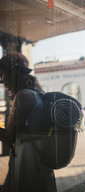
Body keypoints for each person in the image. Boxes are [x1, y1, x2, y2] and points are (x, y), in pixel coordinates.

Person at [0, 52, 56, 192]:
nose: (2, 80)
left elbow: (9, 137)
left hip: (27, 157)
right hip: (39, 155)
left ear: (13, 73)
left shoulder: (23, 96)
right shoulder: (37, 94)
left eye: (3, 75)